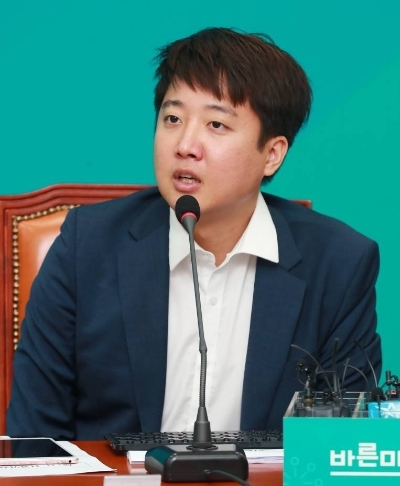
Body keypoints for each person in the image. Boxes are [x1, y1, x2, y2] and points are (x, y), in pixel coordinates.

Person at [6, 28, 381, 440]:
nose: (185, 145)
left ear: (272, 154)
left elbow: (339, 446)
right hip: (110, 484)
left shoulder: (338, 265)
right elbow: (34, 436)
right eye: (173, 119)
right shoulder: (87, 245)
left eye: (216, 124)